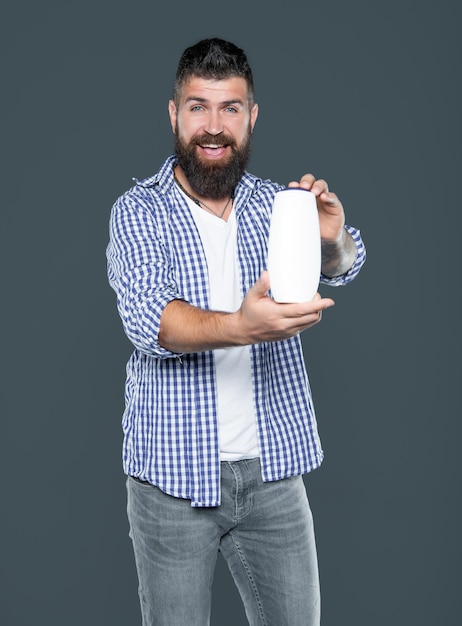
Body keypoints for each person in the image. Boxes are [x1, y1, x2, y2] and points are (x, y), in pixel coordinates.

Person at [106, 37, 366, 626]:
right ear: (174, 115)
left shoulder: (279, 204)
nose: (214, 126)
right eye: (198, 107)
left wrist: (332, 238)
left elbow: (344, 265)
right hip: (172, 480)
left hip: (274, 474)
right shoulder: (138, 210)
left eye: (230, 108)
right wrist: (243, 327)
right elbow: (151, 319)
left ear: (251, 118)